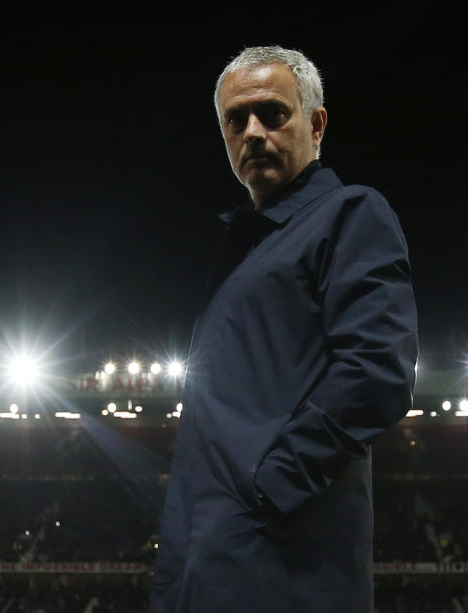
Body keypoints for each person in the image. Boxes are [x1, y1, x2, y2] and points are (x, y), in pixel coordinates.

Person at [150, 46, 418, 612]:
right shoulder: (246, 246)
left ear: (316, 124)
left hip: (284, 566)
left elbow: (377, 371)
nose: (252, 132)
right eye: (234, 119)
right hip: (210, 557)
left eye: (273, 113)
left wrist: (268, 488)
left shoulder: (351, 213)